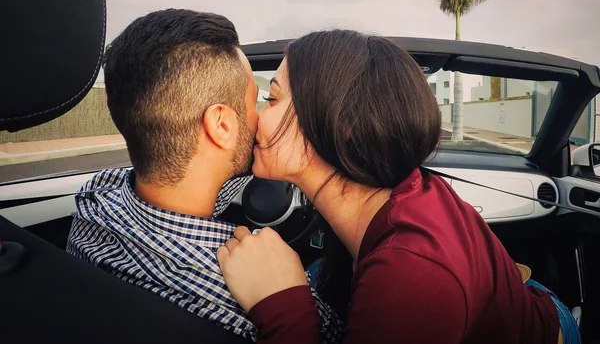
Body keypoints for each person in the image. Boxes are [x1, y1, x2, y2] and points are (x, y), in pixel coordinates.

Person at [216, 30, 580, 343]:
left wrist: (285, 309)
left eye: (273, 99)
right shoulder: (387, 189)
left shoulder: (410, 277)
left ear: (342, 125)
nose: (255, 118)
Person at [66, 9, 342, 342]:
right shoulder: (246, 297)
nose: (259, 121)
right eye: (258, 102)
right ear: (222, 125)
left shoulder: (95, 196)